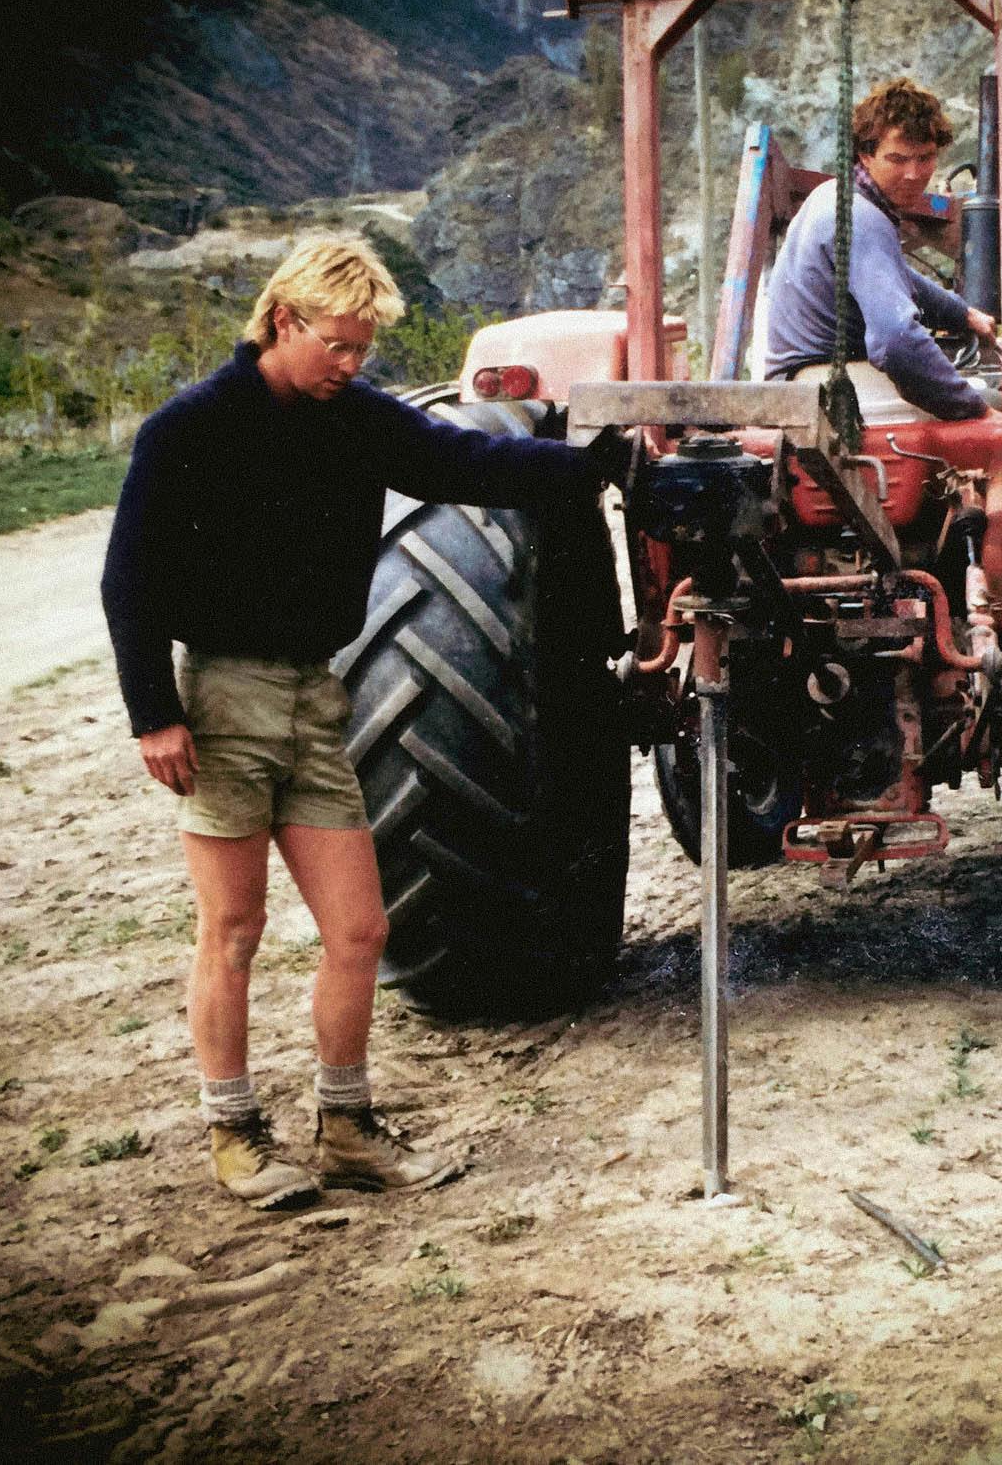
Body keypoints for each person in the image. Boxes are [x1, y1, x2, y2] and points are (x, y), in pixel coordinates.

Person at [101, 236, 619, 1210]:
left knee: (360, 929)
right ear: (283, 321)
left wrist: (586, 467)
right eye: (335, 344)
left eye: (362, 348)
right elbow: (127, 580)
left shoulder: (355, 419)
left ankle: (345, 1130)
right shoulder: (189, 431)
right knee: (235, 929)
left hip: (316, 700)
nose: (351, 363)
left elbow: (465, 462)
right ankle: (235, 1135)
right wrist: (153, 715)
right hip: (223, 705)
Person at [764, 76, 996, 422]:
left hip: (800, 382)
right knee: (996, 399)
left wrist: (963, 314)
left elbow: (897, 276)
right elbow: (896, 342)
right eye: (897, 159)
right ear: (866, 154)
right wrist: (978, 412)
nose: (913, 174)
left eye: (925, 158)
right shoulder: (864, 219)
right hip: (827, 386)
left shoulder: (833, 195)